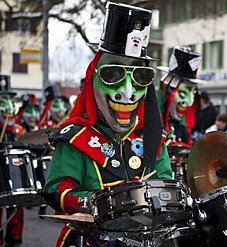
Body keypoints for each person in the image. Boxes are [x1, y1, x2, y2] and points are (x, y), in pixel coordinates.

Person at [44, 3, 172, 246]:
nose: (128, 92)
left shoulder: (155, 140)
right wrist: (90, 201)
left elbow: (165, 188)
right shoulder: (74, 138)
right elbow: (57, 190)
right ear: (93, 79)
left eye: (139, 78)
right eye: (113, 75)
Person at [157, 46, 202, 145]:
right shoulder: (150, 120)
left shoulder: (184, 129)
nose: (190, 102)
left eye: (193, 94)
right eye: (182, 94)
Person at [0, 75, 26, 247]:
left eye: (11, 100)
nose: (8, 106)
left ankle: (14, 239)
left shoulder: (19, 129)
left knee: (17, 204)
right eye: (3, 101)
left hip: (12, 172)